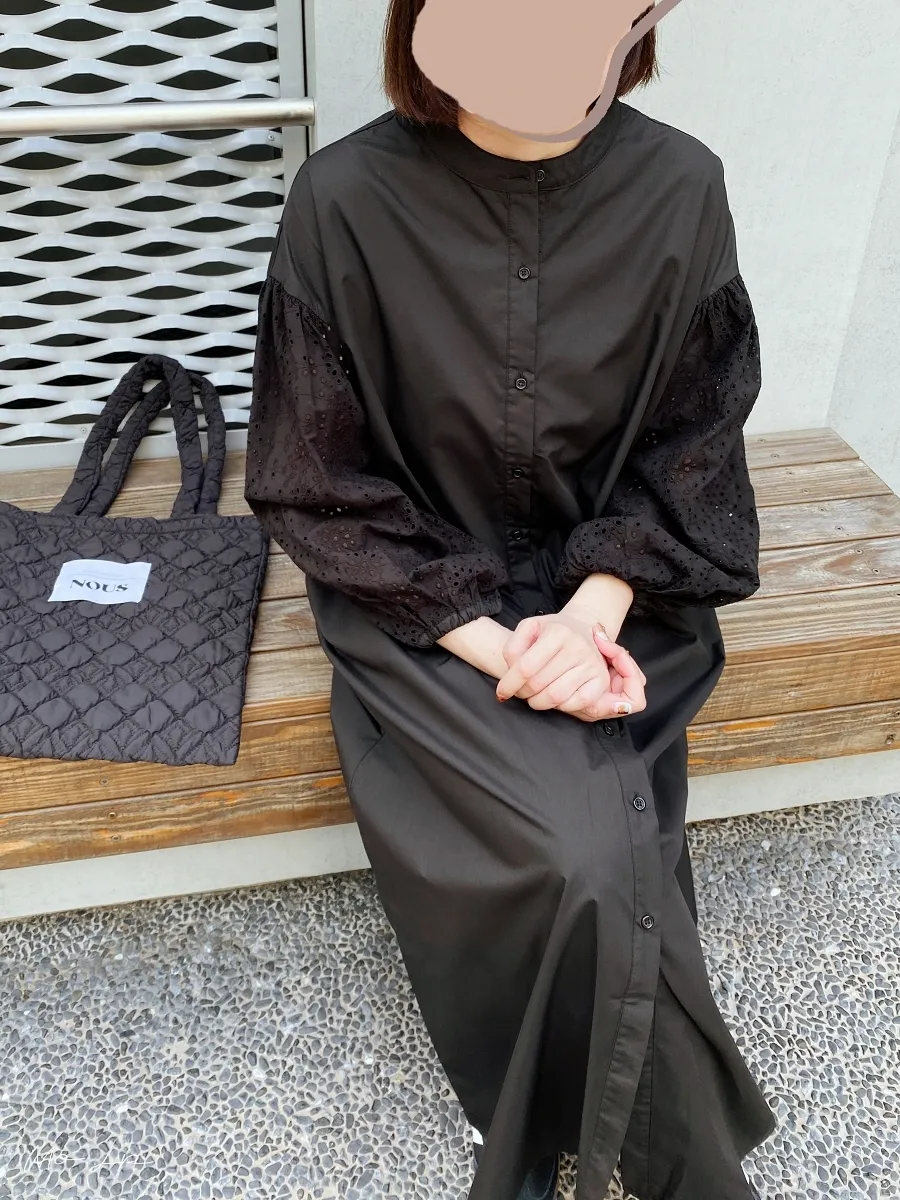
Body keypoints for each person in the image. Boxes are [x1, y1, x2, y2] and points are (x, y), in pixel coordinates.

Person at [244, 1, 778, 1196]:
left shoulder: (681, 186)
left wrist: (592, 615)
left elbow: (695, 440)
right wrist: (511, 650)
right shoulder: (343, 199)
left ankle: (549, 1134)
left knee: (596, 849)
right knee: (591, 853)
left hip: (627, 592)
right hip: (419, 599)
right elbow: (314, 479)